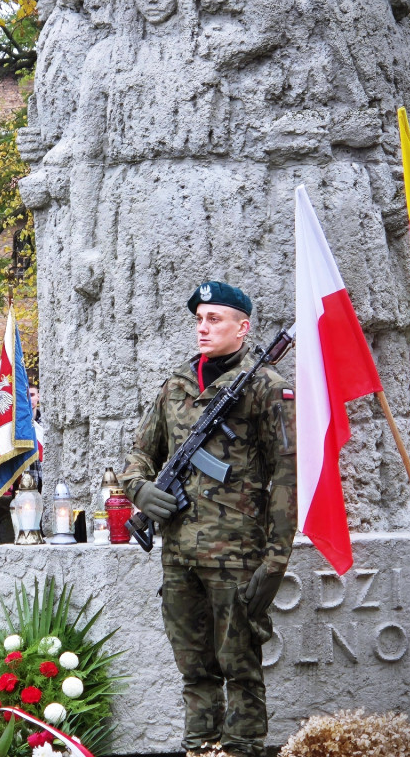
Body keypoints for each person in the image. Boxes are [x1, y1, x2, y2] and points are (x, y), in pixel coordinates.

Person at [118, 281, 296, 757]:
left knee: (239, 667)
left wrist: (275, 562)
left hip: (237, 556)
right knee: (193, 667)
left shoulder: (266, 388)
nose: (203, 327)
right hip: (179, 554)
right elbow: (139, 453)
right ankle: (199, 747)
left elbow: (287, 478)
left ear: (244, 327)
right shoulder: (176, 385)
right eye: (199, 319)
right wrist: (140, 490)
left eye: (214, 319)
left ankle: (241, 749)